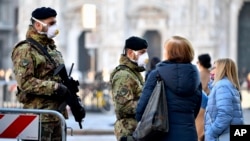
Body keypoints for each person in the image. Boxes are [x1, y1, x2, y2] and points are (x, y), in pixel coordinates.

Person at [11, 7, 69, 141]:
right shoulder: (25, 49)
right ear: (38, 25)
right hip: (38, 117)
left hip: (56, 115)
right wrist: (54, 87)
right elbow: (25, 82)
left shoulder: (51, 49)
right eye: (51, 23)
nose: (55, 26)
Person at [136, 35, 202, 141]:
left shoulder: (156, 75)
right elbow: (196, 109)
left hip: (161, 134)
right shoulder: (195, 77)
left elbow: (141, 110)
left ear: (170, 53)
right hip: (189, 135)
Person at [110, 36, 149, 141]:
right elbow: (123, 107)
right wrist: (147, 104)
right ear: (131, 53)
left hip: (136, 129)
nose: (145, 56)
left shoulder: (134, 73)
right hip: (128, 131)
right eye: (142, 53)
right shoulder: (123, 75)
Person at [204, 58, 244, 141]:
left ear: (222, 69)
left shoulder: (222, 85)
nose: (211, 71)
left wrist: (211, 133)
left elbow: (225, 114)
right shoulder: (228, 84)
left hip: (222, 136)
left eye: (214, 68)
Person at [195, 53, 211, 141]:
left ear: (200, 63)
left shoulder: (198, 75)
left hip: (200, 105)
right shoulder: (212, 75)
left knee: (199, 134)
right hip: (210, 106)